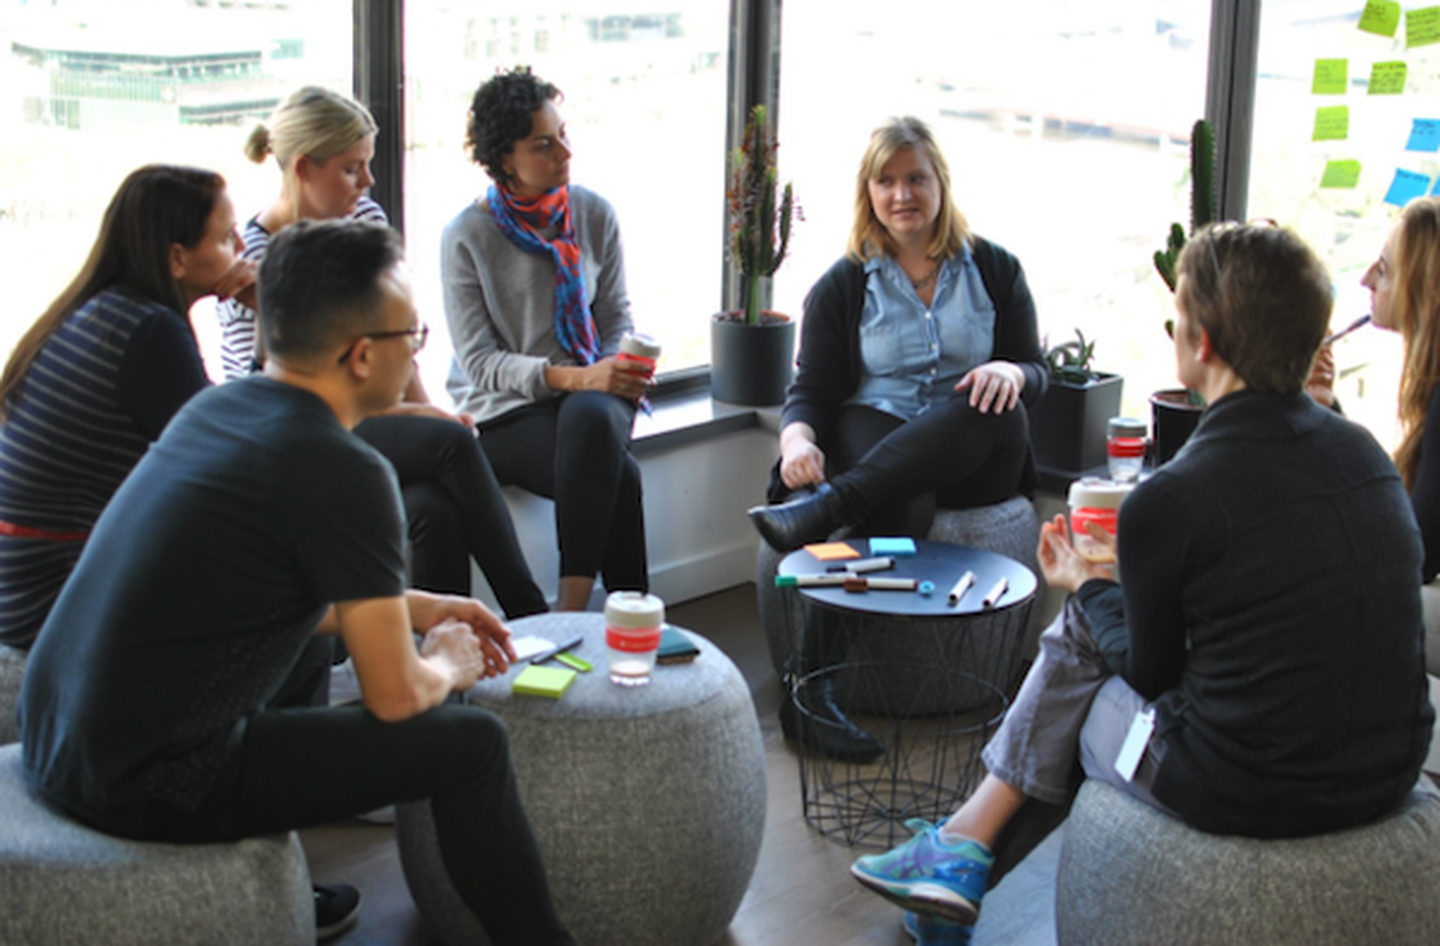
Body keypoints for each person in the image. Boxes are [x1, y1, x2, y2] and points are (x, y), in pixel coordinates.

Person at [848, 222, 1434, 944]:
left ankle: (961, 853)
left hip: (1240, 785)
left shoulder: (1175, 495)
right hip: (1388, 768)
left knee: (1083, 682)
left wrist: (1085, 587)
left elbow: (1151, 675)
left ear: (1203, 344)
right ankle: (954, 863)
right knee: (1094, 630)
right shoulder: (1368, 458)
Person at [18, 219, 576, 946]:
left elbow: (247, 591)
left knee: (319, 659)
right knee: (469, 744)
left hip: (57, 731)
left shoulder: (218, 408)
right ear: (360, 354)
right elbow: (397, 695)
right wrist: (447, 661)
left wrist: (421, 606)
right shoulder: (345, 468)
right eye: (412, 334)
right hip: (148, 782)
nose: (416, 350)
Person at [747, 116, 1045, 762]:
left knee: (994, 406)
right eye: (886, 181)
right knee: (903, 501)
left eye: (915, 178)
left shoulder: (995, 269)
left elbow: (1037, 368)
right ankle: (809, 689)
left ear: (941, 183)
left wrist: (1011, 370)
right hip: (879, 433)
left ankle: (830, 508)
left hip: (976, 452)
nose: (901, 194)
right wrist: (796, 444)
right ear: (868, 192)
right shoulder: (845, 283)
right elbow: (813, 389)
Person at [220, 85, 546, 618]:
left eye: (368, 165)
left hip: (365, 418)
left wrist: (425, 411)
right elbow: (269, 383)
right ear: (303, 168)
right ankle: (533, 620)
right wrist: (425, 423)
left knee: (431, 508)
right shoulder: (255, 255)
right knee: (448, 442)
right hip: (285, 432)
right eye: (352, 168)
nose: (368, 182)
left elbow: (399, 344)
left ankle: (450, 667)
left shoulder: (365, 221)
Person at [0, 165, 251, 650]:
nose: (241, 248)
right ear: (178, 258)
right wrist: (273, 319)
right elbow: (238, 458)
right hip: (55, 598)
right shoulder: (149, 331)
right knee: (288, 583)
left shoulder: (98, 311)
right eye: (226, 237)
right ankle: (251, 727)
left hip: (24, 583)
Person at [443, 65, 650, 612]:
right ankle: (629, 621)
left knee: (589, 415)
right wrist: (578, 377)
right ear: (503, 158)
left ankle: (571, 612)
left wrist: (615, 369)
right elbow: (480, 362)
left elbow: (614, 316)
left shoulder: (592, 213)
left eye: (563, 136)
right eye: (543, 144)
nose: (564, 153)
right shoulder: (467, 236)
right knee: (619, 475)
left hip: (587, 398)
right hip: (507, 410)